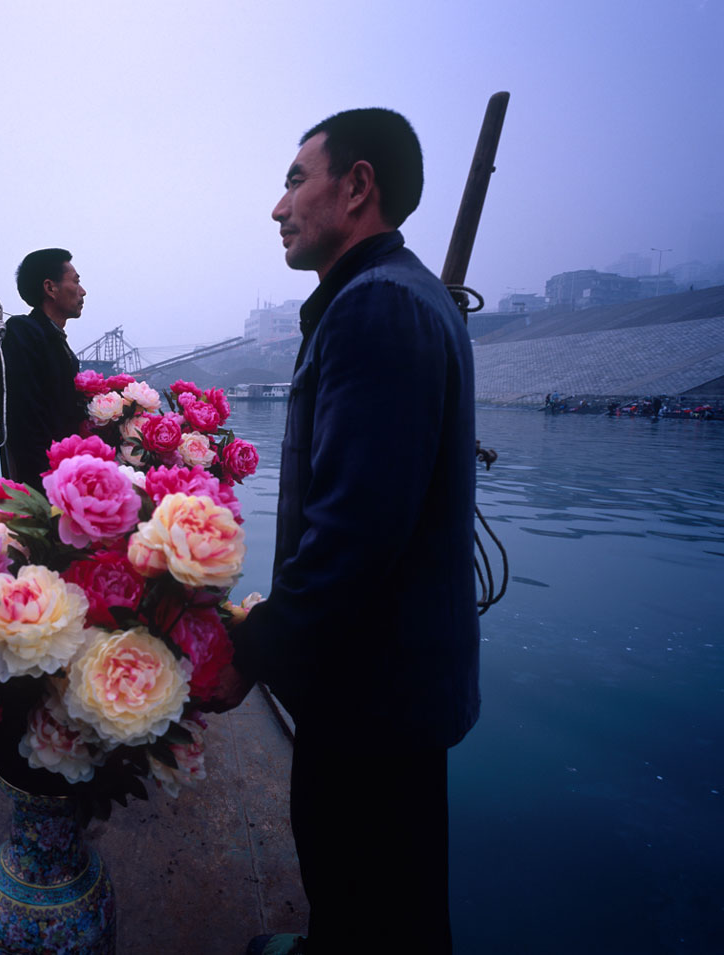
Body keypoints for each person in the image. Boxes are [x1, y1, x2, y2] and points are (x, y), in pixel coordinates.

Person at [220, 108, 480, 955]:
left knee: (373, 889)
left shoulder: (378, 309)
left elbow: (352, 533)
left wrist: (256, 644)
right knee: (368, 889)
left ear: (358, 186)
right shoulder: (396, 296)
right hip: (383, 683)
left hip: (374, 692)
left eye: (297, 179)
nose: (277, 205)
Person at [0, 248, 87, 491]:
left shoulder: (57, 343)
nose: (83, 291)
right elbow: (24, 424)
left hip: (65, 476)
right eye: (76, 282)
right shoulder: (22, 332)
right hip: (44, 484)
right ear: (50, 288)